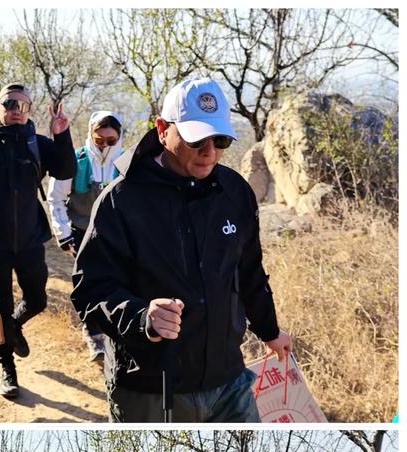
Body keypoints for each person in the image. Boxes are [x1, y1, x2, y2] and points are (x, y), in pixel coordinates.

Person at [72, 77, 292, 423]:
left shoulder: (234, 192)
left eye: (220, 140)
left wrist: (269, 330)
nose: (210, 152)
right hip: (151, 390)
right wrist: (142, 317)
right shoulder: (121, 200)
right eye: (195, 139)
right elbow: (90, 291)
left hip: (229, 382)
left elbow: (248, 269)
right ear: (162, 130)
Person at [0, 83, 76, 399]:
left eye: (21, 105)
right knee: (0, 304)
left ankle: (11, 327)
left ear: (29, 110)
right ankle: (8, 371)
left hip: (30, 240)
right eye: (9, 104)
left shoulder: (39, 144)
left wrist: (62, 134)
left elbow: (66, 169)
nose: (14, 110)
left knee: (37, 300)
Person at [48, 111, 123, 363]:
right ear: (91, 134)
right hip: (81, 233)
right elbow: (56, 198)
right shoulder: (75, 161)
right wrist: (63, 233)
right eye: (99, 140)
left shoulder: (125, 164)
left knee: (115, 282)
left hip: (114, 235)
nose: (104, 146)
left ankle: (113, 331)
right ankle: (93, 333)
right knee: (88, 283)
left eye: (111, 141)